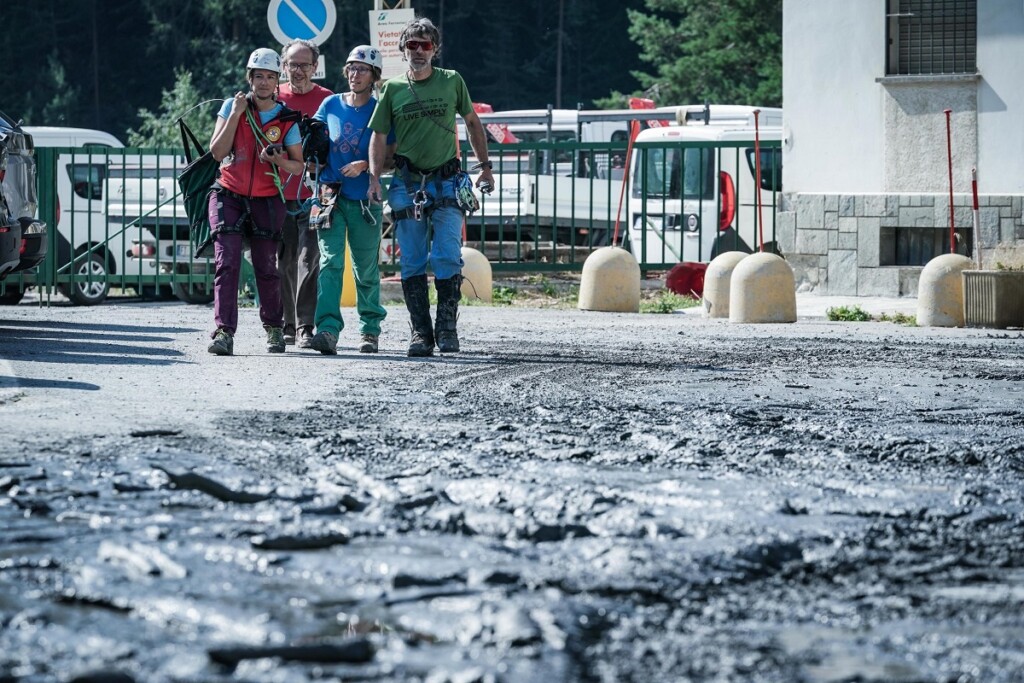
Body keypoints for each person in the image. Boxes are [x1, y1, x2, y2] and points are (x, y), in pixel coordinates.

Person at [367, 16, 495, 357]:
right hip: (406, 184)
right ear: (403, 49)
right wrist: (373, 177)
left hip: (447, 181)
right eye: (413, 45)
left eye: (425, 45)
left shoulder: (452, 81)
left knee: (447, 255)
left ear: (435, 49)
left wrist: (485, 168)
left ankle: (447, 329)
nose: (419, 51)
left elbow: (472, 123)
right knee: (411, 261)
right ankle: (421, 333)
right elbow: (378, 137)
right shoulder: (392, 89)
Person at [206, 48, 305, 356]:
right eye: (258, 76)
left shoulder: (287, 118)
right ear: (249, 78)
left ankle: (275, 329)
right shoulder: (231, 107)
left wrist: (279, 160)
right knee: (227, 262)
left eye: (270, 77)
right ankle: (224, 332)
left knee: (266, 267)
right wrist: (235, 114)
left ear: (278, 81)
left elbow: (298, 166)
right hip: (228, 193)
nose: (264, 83)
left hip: (266, 198)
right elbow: (217, 152)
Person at [307, 46, 395, 355]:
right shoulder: (329, 104)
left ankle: (370, 330)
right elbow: (315, 142)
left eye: (362, 69)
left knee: (365, 268)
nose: (354, 74)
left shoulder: (380, 109)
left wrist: (367, 166)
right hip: (330, 197)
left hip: (364, 201)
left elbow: (392, 158)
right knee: (330, 263)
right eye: (351, 68)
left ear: (374, 76)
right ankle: (328, 330)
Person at [277, 39, 333, 348]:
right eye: (292, 64)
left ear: (315, 67)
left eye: (304, 65)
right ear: (283, 66)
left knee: (310, 259)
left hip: (317, 194)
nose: (298, 71)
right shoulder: (272, 98)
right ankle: (285, 323)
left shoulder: (328, 100)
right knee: (282, 262)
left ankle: (305, 326)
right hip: (276, 192)